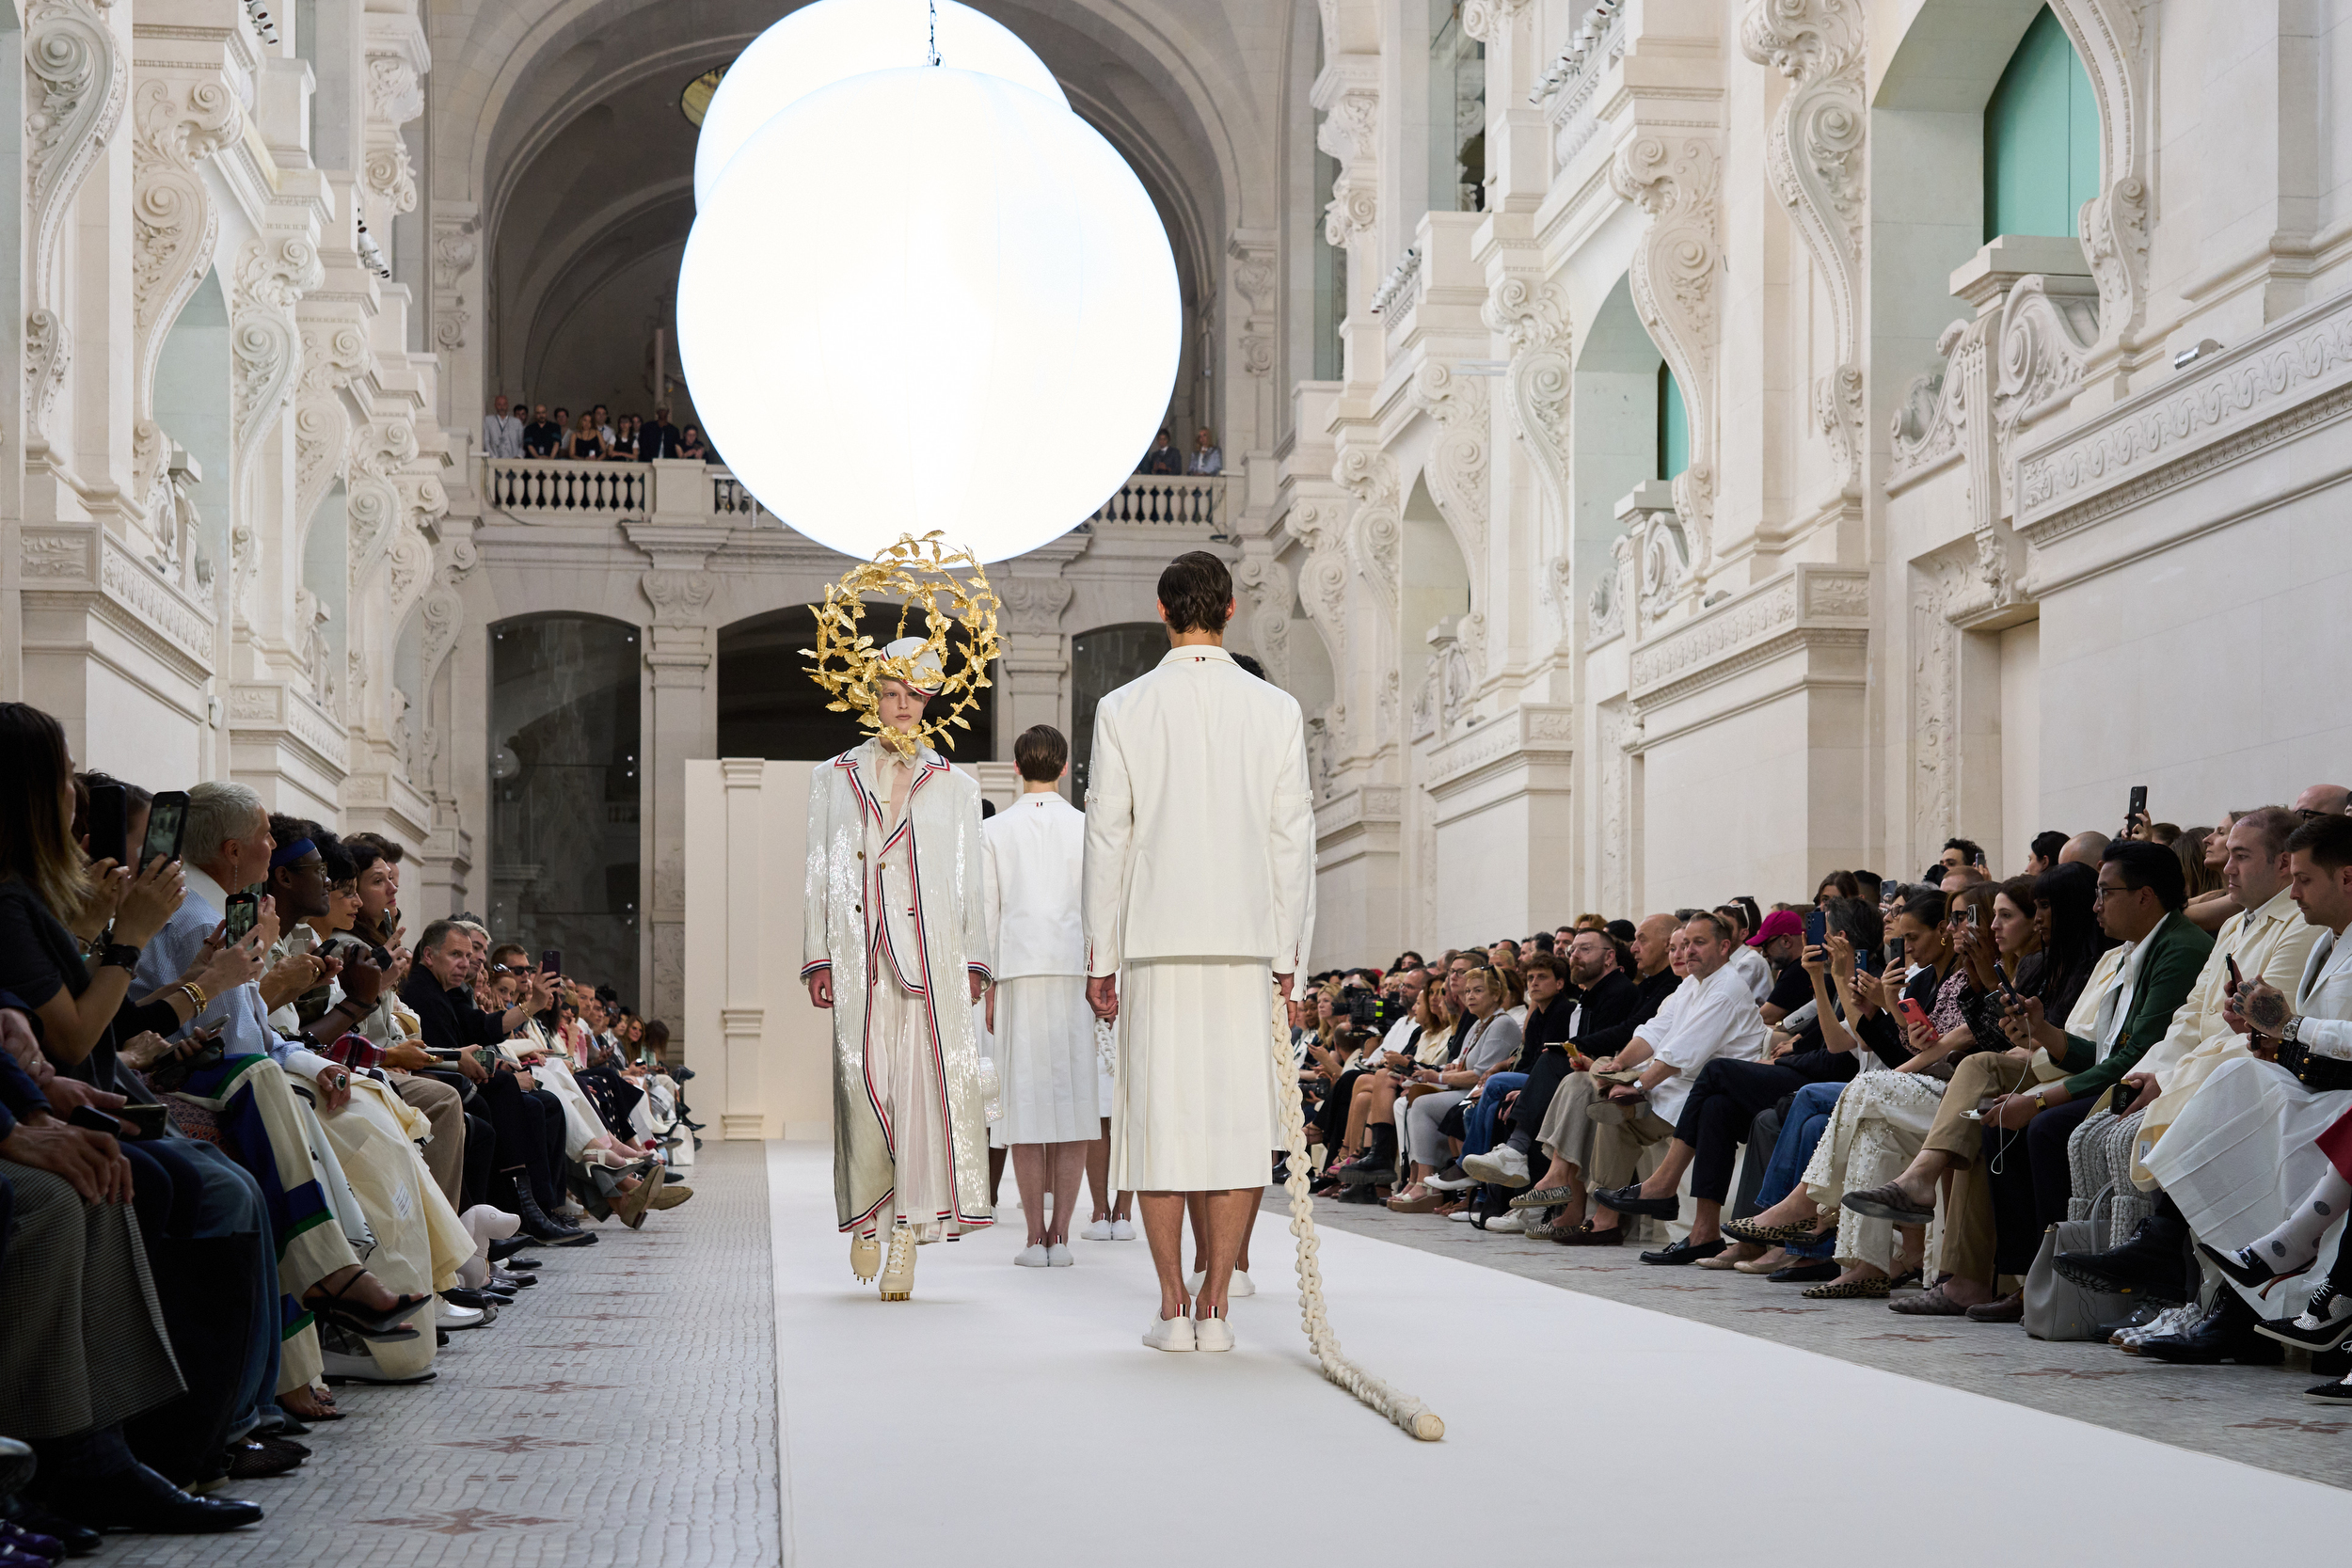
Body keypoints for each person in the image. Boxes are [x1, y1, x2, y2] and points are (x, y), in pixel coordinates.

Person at [1082, 550, 1314, 1353]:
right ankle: (1219, 1306)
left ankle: (1174, 1307)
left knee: (1159, 1127)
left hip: (1157, 944)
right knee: (1238, 1126)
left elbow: (1108, 838)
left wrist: (1100, 957)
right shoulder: (1276, 708)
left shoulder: (1123, 707)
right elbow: (1293, 842)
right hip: (1248, 944)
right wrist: (1291, 956)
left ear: (1161, 609)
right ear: (1232, 610)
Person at [803, 638, 993, 1302]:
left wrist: (974, 958)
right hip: (859, 953)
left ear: (932, 700)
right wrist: (819, 953)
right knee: (863, 1089)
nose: (901, 705)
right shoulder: (833, 777)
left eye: (914, 694)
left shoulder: (957, 786)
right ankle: (867, 1212)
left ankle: (906, 1233)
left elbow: (974, 879)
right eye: (890, 691)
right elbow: (821, 872)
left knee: (917, 1096)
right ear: (872, 694)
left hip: (929, 958)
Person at [981, 725, 1094, 1268]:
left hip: (1017, 976)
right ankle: (1063, 1238)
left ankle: (1032, 1239)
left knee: (1023, 1109)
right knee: (1074, 1108)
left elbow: (987, 914)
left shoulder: (996, 830)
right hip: (1076, 975)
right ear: (1066, 768)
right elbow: (1102, 910)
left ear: (1017, 769)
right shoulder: (1088, 828)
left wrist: (985, 985)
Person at [482, 395, 523, 459]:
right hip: (495, 459)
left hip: (513, 460)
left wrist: (519, 456)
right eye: (499, 404)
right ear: (495, 405)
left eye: (504, 404)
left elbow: (522, 443)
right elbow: (486, 441)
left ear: (508, 405)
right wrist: (493, 457)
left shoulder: (517, 422)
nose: (502, 407)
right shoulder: (488, 420)